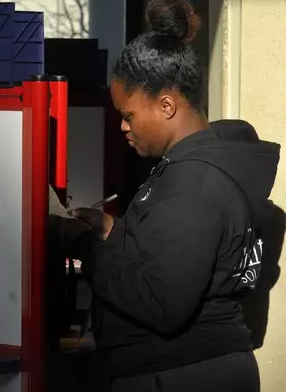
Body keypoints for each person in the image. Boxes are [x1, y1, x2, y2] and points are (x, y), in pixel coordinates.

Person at [69, 0, 281, 391]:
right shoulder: (198, 170)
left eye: (128, 114)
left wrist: (89, 249)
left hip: (177, 375)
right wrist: (114, 230)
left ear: (167, 105)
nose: (122, 126)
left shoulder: (192, 184)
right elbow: (172, 254)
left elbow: (161, 302)